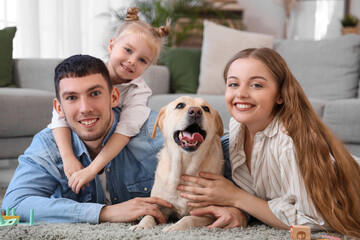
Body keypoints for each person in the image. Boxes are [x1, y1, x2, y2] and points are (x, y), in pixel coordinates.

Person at [177, 48, 360, 238]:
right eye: (233, 84)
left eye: (256, 85)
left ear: (280, 95)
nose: (241, 93)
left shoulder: (289, 144)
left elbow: (314, 221)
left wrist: (236, 197)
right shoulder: (238, 126)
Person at [2, 54, 172, 223]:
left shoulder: (152, 131)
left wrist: (200, 192)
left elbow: (196, 162)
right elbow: (14, 204)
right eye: (72, 98)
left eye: (95, 93)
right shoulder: (49, 145)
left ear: (114, 97)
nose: (85, 108)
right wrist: (104, 213)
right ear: (59, 108)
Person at [48, 7, 170, 194]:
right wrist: (68, 157)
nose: (132, 61)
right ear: (112, 46)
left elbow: (125, 131)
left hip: (116, 147)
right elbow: (59, 116)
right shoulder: (89, 71)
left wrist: (92, 169)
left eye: (142, 60)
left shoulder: (138, 92)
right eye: (128, 50)